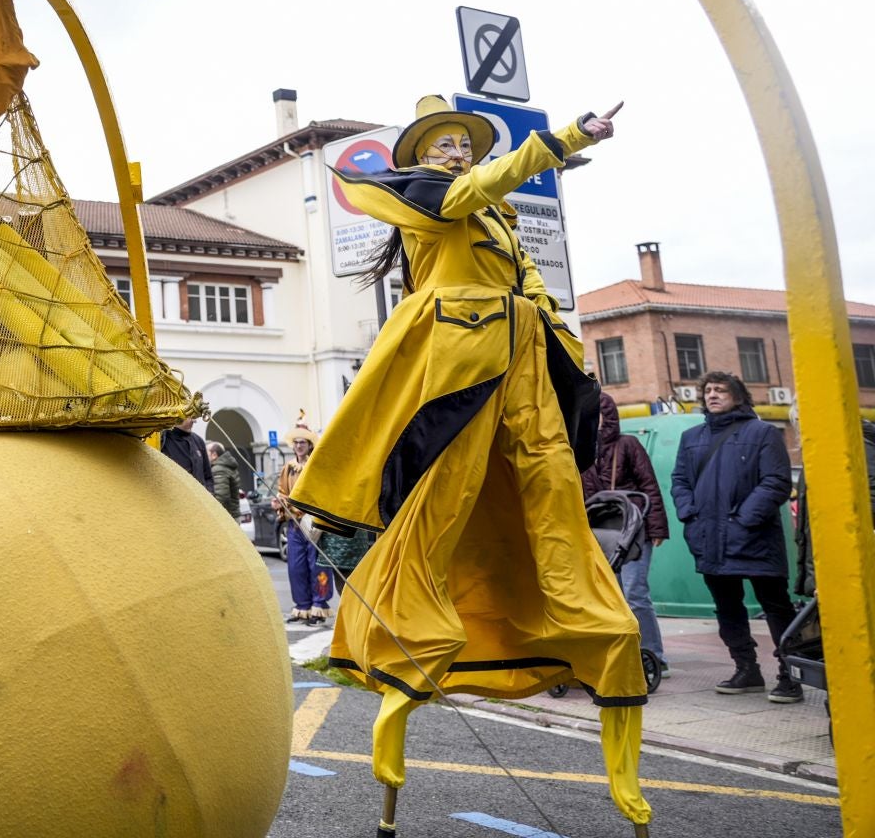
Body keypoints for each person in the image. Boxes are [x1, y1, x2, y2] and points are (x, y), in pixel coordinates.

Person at [291, 95, 650, 832]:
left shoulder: (500, 220)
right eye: (443, 142)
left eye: (463, 142)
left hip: (523, 367)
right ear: (424, 157)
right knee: (442, 501)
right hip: (462, 369)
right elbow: (467, 192)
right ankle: (408, 635)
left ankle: (585, 624)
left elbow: (531, 290)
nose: (456, 151)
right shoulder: (433, 201)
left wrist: (568, 357)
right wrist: (563, 139)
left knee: (552, 500)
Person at [670, 372, 800, 703]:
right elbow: (680, 480)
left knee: (776, 607)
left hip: (755, 538)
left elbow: (776, 481)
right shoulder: (691, 437)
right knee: (727, 607)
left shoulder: (763, 433)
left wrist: (744, 520)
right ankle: (746, 670)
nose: (712, 395)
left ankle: (790, 675)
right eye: (708, 390)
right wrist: (691, 513)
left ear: (738, 396)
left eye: (721, 390)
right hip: (709, 537)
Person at [581, 393, 671, 678]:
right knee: (613, 596)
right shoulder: (576, 450)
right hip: (600, 534)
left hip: (633, 530)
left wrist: (657, 528)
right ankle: (626, 651)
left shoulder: (627, 445)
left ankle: (654, 655)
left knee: (635, 593)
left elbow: (649, 485)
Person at [277, 420, 331, 625]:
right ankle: (302, 607)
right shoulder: (287, 468)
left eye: (303, 442)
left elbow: (322, 492)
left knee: (317, 566)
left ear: (309, 445)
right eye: (297, 442)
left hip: (313, 523)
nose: (299, 445)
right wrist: (280, 501)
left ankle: (319, 607)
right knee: (296, 567)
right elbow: (282, 490)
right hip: (293, 524)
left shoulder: (315, 467)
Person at [159, 412, 212, 491]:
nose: (194, 421)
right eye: (191, 416)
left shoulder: (198, 441)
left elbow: (208, 477)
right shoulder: (163, 440)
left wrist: (209, 494)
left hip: (200, 500)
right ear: (179, 416)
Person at [207, 440, 244, 525]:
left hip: (227, 518)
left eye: (206, 453)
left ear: (214, 455)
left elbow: (221, 497)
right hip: (233, 516)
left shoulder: (219, 469)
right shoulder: (227, 466)